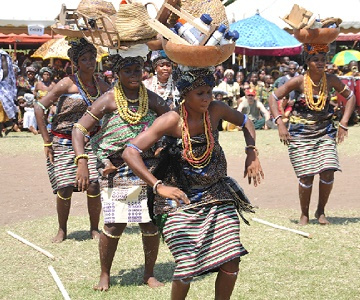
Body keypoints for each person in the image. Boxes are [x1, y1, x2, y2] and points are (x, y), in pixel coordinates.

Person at [122, 65, 263, 300]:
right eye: (200, 93)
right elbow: (130, 152)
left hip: (217, 192)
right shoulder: (171, 120)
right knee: (186, 264)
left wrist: (251, 151)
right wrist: (158, 186)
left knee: (231, 259)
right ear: (184, 94)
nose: (207, 98)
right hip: (180, 198)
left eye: (209, 91)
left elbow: (246, 121)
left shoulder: (216, 110)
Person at [72, 48, 170, 291]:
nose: (134, 75)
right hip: (118, 168)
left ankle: (149, 274)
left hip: (148, 168)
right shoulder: (108, 99)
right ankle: (105, 274)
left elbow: (172, 119)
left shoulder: (152, 98)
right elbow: (79, 129)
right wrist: (81, 160)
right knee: (116, 223)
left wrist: (164, 145)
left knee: (149, 224)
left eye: (137, 69)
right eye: (128, 70)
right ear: (117, 73)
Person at [268, 43, 356, 225]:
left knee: (328, 170)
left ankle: (321, 211)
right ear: (307, 62)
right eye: (315, 59)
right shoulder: (299, 81)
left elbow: (351, 96)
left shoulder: (331, 79)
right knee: (306, 175)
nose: (320, 63)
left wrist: (344, 122)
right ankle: (304, 214)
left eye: (323, 59)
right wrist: (279, 123)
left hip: (325, 132)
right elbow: (273, 97)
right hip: (300, 134)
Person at [34, 38, 110, 243]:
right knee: (65, 187)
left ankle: (94, 228)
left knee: (94, 184)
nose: (90, 62)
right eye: (84, 59)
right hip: (63, 141)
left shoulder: (102, 86)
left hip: (90, 142)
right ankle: (62, 230)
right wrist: (47, 141)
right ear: (76, 63)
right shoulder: (66, 83)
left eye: (92, 57)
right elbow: (39, 107)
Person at [0, 50, 18, 137]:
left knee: (3, 105)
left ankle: (9, 124)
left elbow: (5, 70)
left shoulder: (2, 54)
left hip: (2, 84)